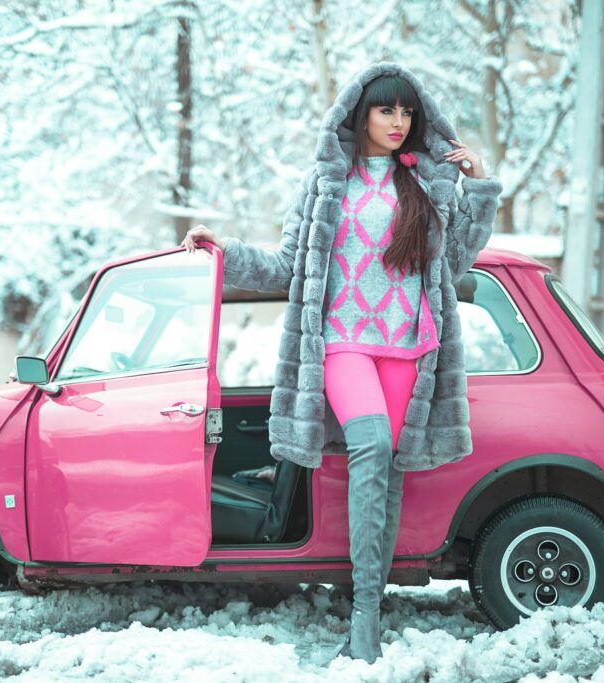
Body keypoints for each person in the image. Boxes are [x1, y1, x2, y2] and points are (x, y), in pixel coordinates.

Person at [181, 62, 502, 664]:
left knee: (392, 468)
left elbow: (453, 265)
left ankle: (370, 608)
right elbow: (287, 266)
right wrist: (226, 250)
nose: (399, 122)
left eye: (407, 112)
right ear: (360, 115)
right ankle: (360, 616)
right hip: (343, 341)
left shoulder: (427, 183)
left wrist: (477, 188)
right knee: (372, 445)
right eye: (387, 111)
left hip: (409, 344)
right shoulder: (327, 182)